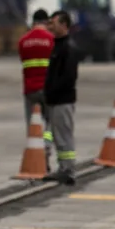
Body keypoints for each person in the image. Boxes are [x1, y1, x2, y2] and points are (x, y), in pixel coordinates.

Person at [42, 10, 79, 186]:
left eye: (53, 23)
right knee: (59, 136)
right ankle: (64, 168)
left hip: (63, 100)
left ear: (64, 25)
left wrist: (54, 90)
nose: (50, 26)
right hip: (55, 99)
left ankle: (68, 170)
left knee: (64, 136)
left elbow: (68, 77)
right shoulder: (57, 45)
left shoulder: (67, 48)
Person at [17, 8, 56, 165]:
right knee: (50, 122)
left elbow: (23, 61)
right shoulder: (52, 40)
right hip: (48, 89)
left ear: (33, 22)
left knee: (32, 124)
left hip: (30, 89)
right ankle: (46, 148)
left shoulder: (23, 41)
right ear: (46, 22)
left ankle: (34, 155)